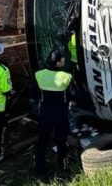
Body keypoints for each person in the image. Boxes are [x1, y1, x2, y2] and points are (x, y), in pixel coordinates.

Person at [32, 47, 76, 177]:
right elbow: (76, 95)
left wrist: (37, 109)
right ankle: (62, 167)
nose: (64, 61)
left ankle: (38, 167)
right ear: (58, 63)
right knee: (61, 141)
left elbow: (32, 95)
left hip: (44, 112)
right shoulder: (66, 77)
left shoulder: (39, 74)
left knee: (42, 140)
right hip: (60, 113)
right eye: (63, 60)